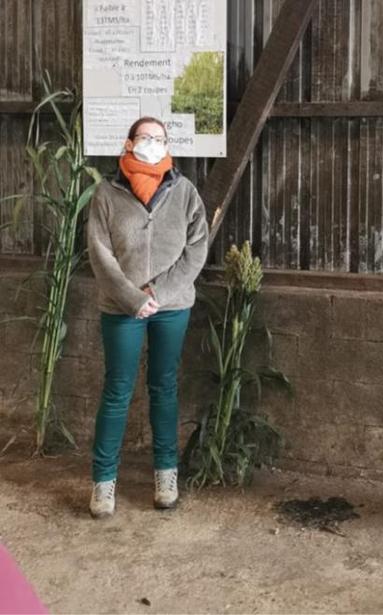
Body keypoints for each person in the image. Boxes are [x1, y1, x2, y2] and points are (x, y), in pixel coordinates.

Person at [87, 117, 208, 519]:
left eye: (160, 139)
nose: (153, 144)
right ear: (129, 142)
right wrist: (130, 297)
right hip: (121, 308)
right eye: (145, 137)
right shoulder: (107, 193)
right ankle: (103, 483)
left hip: (171, 308)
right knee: (117, 390)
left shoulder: (184, 191)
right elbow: (99, 252)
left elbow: (196, 248)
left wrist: (159, 293)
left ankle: (165, 473)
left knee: (165, 387)